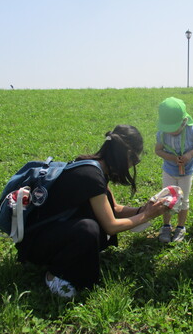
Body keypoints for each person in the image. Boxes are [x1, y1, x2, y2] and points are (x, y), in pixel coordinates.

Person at [15, 125, 170, 298]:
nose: (132, 165)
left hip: (49, 233)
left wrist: (143, 209)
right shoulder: (92, 176)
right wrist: (147, 216)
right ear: (126, 154)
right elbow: (111, 225)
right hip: (38, 244)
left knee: (93, 226)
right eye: (135, 160)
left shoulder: (93, 166)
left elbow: (115, 209)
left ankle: (73, 258)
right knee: (89, 229)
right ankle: (55, 274)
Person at [155, 97, 193, 242]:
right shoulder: (162, 133)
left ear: (184, 122)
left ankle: (180, 227)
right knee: (166, 199)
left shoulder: (192, 130)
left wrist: (190, 154)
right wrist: (171, 158)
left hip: (186, 173)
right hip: (169, 171)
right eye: (168, 128)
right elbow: (158, 150)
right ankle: (166, 226)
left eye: (174, 128)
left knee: (183, 200)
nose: (172, 132)